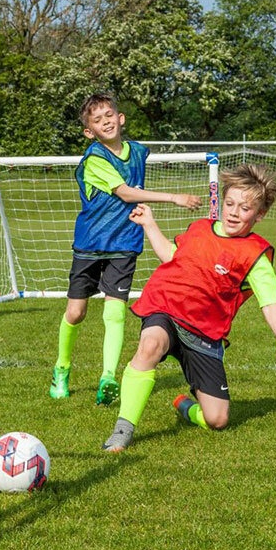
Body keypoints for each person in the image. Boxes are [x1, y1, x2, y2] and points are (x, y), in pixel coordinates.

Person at [102, 163, 276, 452]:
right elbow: (171, 256)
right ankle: (123, 430)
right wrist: (149, 224)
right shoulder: (199, 229)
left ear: (260, 214)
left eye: (245, 208)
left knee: (217, 419)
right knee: (150, 345)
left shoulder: (255, 255)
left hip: (204, 332)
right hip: (167, 307)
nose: (234, 212)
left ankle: (185, 406)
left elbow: (270, 301)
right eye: (230, 204)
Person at [50, 93, 202, 406]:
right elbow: (126, 193)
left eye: (109, 115)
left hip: (124, 244)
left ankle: (107, 379)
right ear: (89, 132)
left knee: (115, 311)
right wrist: (173, 197)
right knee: (76, 313)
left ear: (121, 119)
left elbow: (142, 160)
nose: (105, 121)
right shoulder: (95, 158)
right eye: (97, 120)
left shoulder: (138, 151)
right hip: (90, 244)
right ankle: (61, 369)